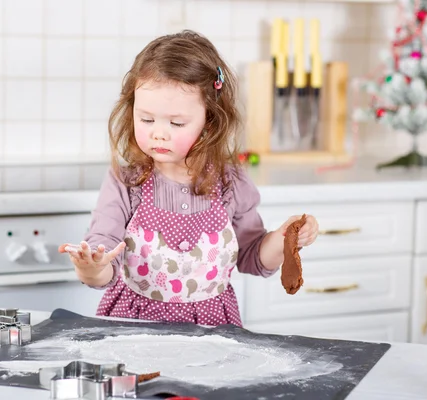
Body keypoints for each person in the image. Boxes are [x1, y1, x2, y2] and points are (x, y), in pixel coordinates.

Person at [59, 30, 318, 327]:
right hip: (133, 329)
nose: (159, 132)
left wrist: (285, 237)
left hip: (212, 332)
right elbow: (105, 250)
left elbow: (253, 256)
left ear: (210, 120)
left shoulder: (231, 184)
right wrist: (92, 267)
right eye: (146, 119)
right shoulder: (125, 181)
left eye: (176, 122)